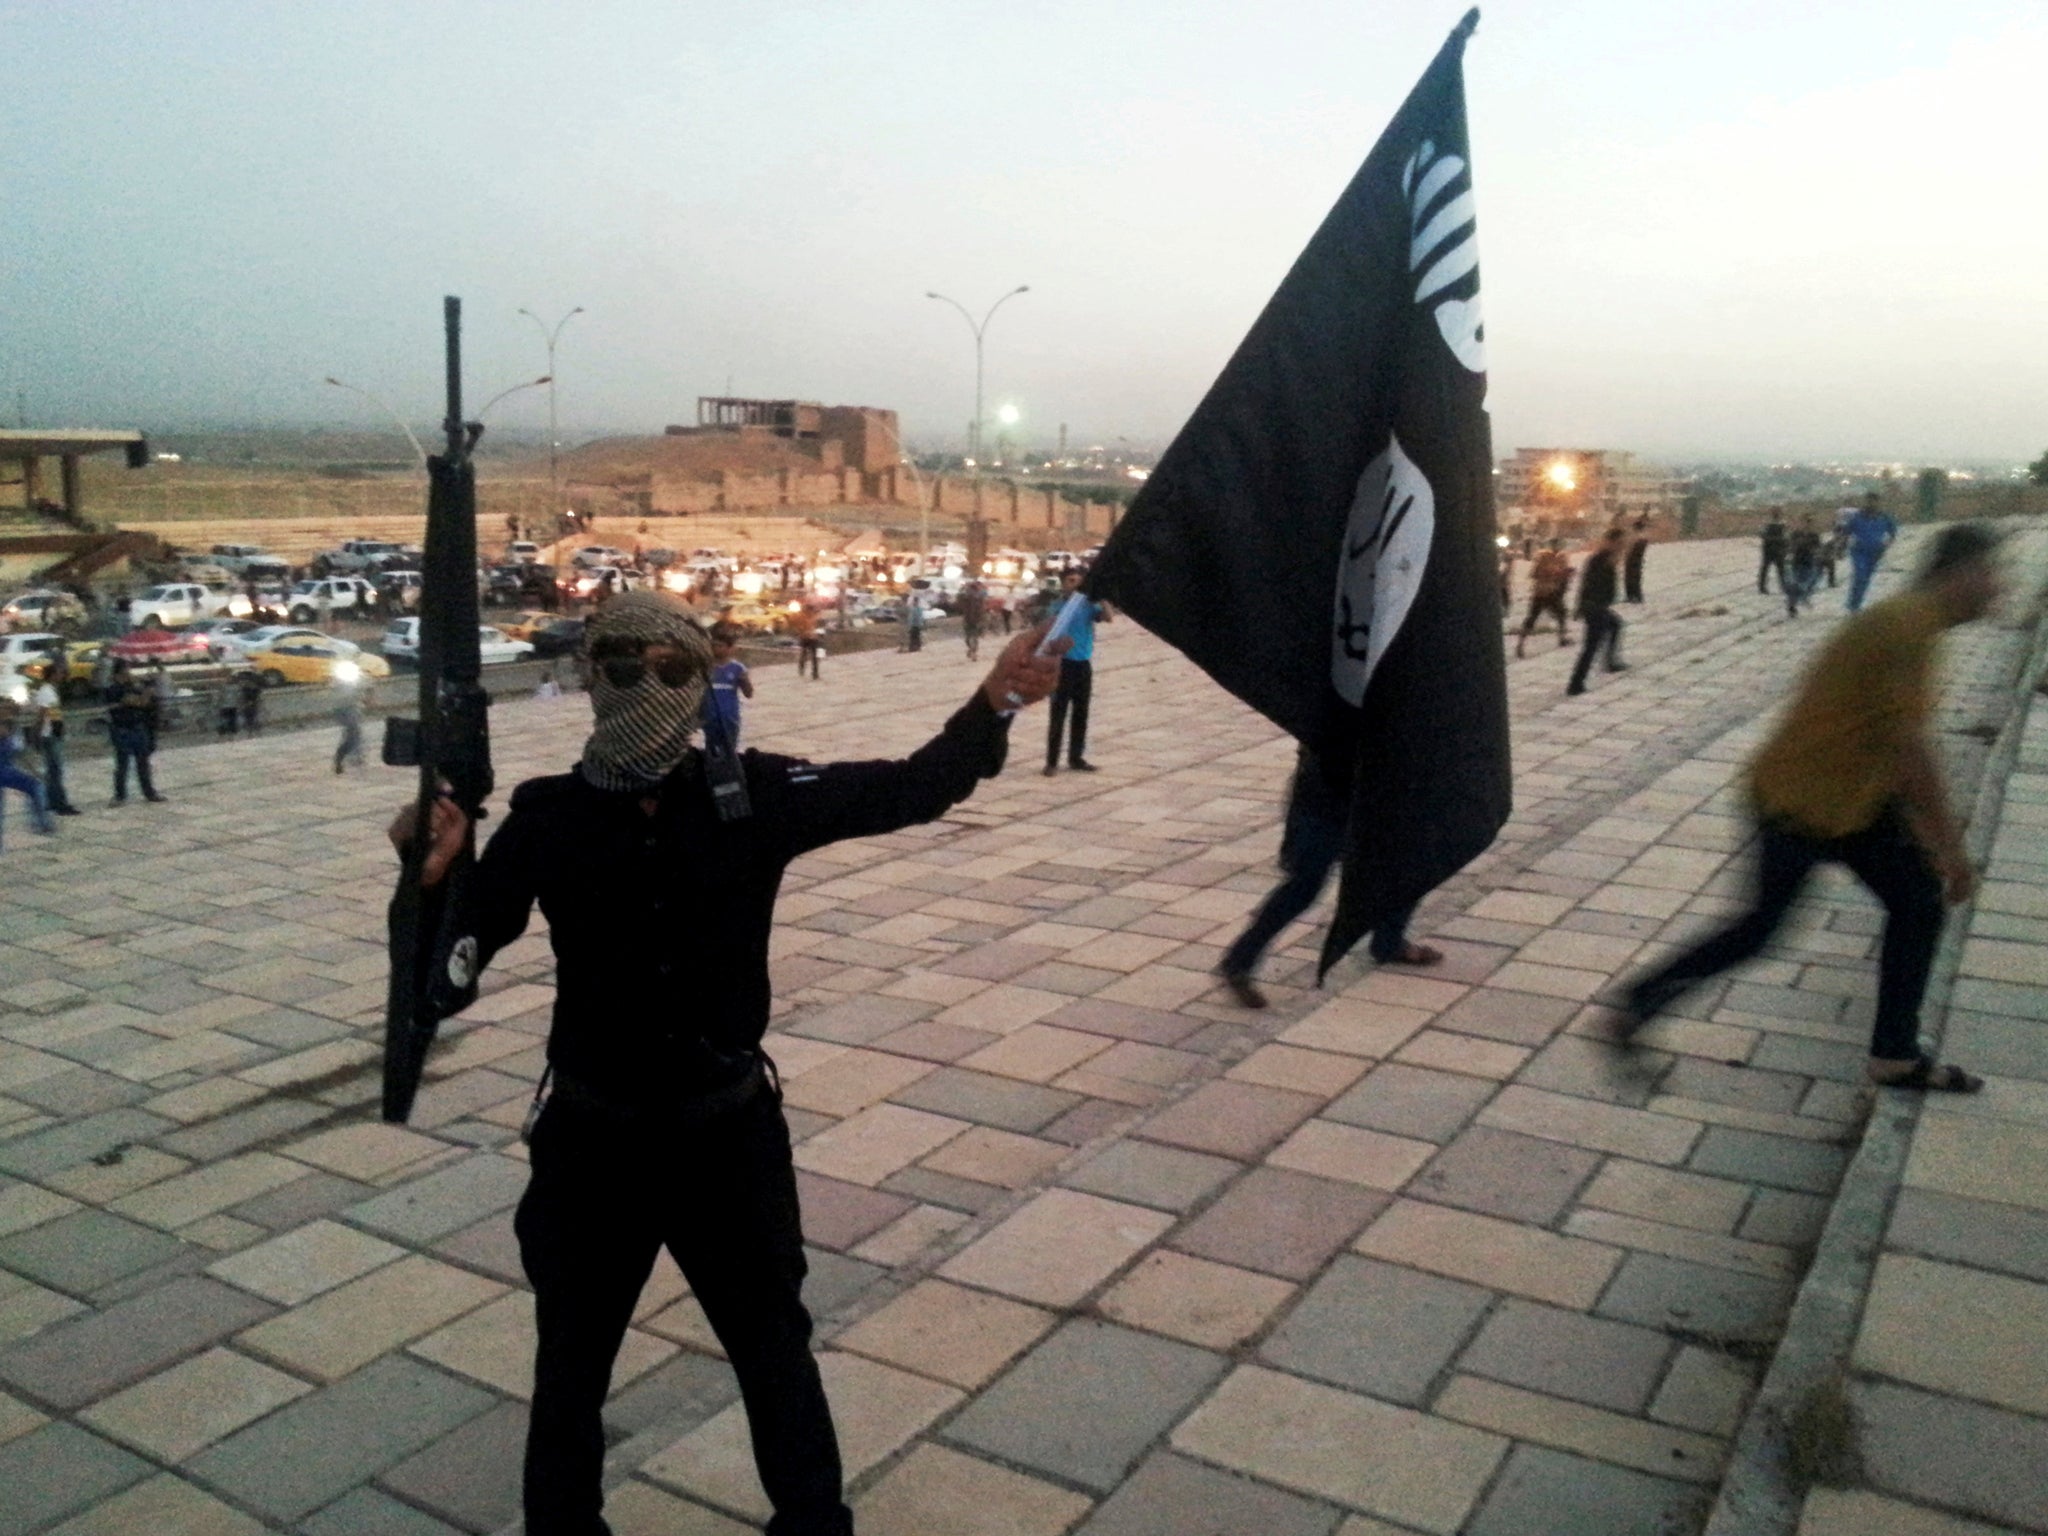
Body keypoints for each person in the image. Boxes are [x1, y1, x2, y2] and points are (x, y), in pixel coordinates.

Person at [385, 592, 1065, 1536]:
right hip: (593, 1143)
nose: (645, 686)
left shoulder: (757, 795)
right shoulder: (548, 818)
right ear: (592, 677)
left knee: (775, 1352)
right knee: (571, 1367)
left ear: (702, 680)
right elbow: (450, 976)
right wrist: (430, 882)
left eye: (672, 669)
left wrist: (993, 700)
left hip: (725, 1136)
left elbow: (912, 787)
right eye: (622, 667)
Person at [1614, 524, 2004, 1093]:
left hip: (1848, 800)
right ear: (1961, 573)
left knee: (1917, 903)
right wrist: (1952, 850)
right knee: (1761, 930)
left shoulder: (1913, 625)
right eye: (1993, 574)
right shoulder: (1906, 628)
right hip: (1800, 802)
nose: (2000, 589)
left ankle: (1895, 1054)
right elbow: (1911, 751)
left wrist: (1925, 835)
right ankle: (1637, 1002)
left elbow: (1894, 745)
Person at [1217, 745, 1442, 1008]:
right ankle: (1240, 960)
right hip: (1329, 797)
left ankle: (1389, 942)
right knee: (1304, 886)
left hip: (1368, 794)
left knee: (1405, 864)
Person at [1044, 569, 1109, 775]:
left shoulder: (1088, 605)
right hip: (1061, 665)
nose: (1075, 584)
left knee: (1081, 713)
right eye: (1071, 581)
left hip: (1083, 665)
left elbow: (1107, 617)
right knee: (1058, 713)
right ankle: (1051, 761)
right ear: (1063, 583)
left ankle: (1076, 757)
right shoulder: (1056, 607)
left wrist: (1102, 597)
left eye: (1079, 581)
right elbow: (1047, 633)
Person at [1566, 528, 1629, 696]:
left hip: (1597, 607)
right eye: (1620, 543)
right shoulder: (1601, 559)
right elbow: (1587, 584)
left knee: (1615, 624)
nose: (1622, 546)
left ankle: (1610, 662)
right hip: (1595, 608)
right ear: (1612, 542)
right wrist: (1581, 607)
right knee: (1590, 647)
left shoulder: (1604, 558)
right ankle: (1575, 684)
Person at [105, 663, 166, 805]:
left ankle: (149, 792)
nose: (129, 674)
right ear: (118, 674)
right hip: (122, 730)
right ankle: (120, 795)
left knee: (143, 762)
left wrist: (147, 685)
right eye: (126, 672)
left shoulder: (131, 686)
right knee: (122, 764)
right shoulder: (113, 689)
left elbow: (146, 702)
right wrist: (147, 691)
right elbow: (139, 702)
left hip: (137, 727)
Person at [0, 697, 57, 848]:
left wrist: (35, 772)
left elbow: (21, 753)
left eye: (9, 709)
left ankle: (42, 823)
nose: (7, 712)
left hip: (6, 770)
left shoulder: (13, 727)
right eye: (4, 709)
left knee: (35, 786)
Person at [28, 665, 79, 815]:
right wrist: (36, 735)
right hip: (49, 736)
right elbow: (42, 715)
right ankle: (61, 804)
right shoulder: (46, 692)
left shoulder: (49, 691)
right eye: (59, 673)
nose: (61, 676)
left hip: (51, 734)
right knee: (55, 771)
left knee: (52, 771)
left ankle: (51, 801)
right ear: (52, 675)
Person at [1515, 539, 1572, 658]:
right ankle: (1520, 645)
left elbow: (1561, 576)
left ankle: (1561, 638)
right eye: (1556, 545)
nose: (1557, 548)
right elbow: (1534, 574)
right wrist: (1553, 573)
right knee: (1533, 618)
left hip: (1548, 592)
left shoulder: (1561, 558)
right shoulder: (1543, 557)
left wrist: (1564, 574)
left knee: (1560, 614)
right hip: (1543, 592)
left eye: (1559, 545)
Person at [1843, 492, 1898, 614]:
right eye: (1869, 501)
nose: (1871, 504)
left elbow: (1893, 532)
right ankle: (1853, 605)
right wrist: (1841, 545)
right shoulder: (1857, 517)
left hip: (1875, 553)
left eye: (1874, 501)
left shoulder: (1884, 517)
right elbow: (1846, 531)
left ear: (1878, 503)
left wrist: (1887, 544)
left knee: (1866, 579)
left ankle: (1855, 602)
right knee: (1860, 575)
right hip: (1859, 551)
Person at [706, 623, 754, 746]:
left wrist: (745, 681)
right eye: (714, 646)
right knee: (711, 749)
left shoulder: (738, 668)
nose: (716, 649)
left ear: (730, 648)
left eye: (720, 646)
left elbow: (748, 694)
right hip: (709, 717)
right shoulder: (706, 667)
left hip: (730, 717)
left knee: (729, 749)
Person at [1785, 516, 1824, 616]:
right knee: (1795, 584)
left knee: (1807, 583)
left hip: (1809, 562)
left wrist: (1815, 552)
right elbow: (1791, 546)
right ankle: (1792, 606)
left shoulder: (1814, 535)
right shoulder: (1795, 534)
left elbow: (1818, 548)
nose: (1805, 525)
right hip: (1797, 562)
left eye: (1808, 523)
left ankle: (1803, 597)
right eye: (1803, 523)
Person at [333, 676, 368, 774]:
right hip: (344, 709)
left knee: (354, 735)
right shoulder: (339, 681)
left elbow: (364, 690)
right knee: (352, 734)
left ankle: (353, 757)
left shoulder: (355, 680)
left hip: (352, 708)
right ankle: (342, 759)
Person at [788, 605, 824, 681]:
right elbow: (798, 627)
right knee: (804, 655)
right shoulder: (803, 618)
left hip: (811, 638)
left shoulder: (812, 617)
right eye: (811, 611)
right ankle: (804, 669)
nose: (812, 613)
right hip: (805, 638)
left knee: (812, 657)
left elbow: (816, 626)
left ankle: (814, 673)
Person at [1758, 510, 1789, 595]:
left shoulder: (1780, 525)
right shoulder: (1780, 525)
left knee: (1774, 570)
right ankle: (1763, 587)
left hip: (1773, 550)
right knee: (1775, 570)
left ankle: (1762, 587)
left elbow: (1762, 535)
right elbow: (1785, 538)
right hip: (1773, 550)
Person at [959, 578, 988, 662]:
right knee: (973, 637)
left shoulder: (971, 597)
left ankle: (972, 651)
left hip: (971, 619)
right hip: (973, 619)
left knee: (970, 637)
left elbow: (959, 604)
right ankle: (973, 651)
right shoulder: (975, 597)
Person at [1623, 515, 1650, 604]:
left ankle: (1633, 595)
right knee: (1635, 577)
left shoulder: (1637, 537)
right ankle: (1636, 595)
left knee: (1631, 577)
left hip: (1633, 560)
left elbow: (1630, 548)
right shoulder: (1643, 537)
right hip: (1636, 560)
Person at [238, 670, 265, 736]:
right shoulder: (247, 688)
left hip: (251, 705)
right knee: (250, 718)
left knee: (252, 718)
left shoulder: (251, 689)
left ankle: (253, 732)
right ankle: (253, 732)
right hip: (248, 705)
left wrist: (249, 703)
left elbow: (256, 697)